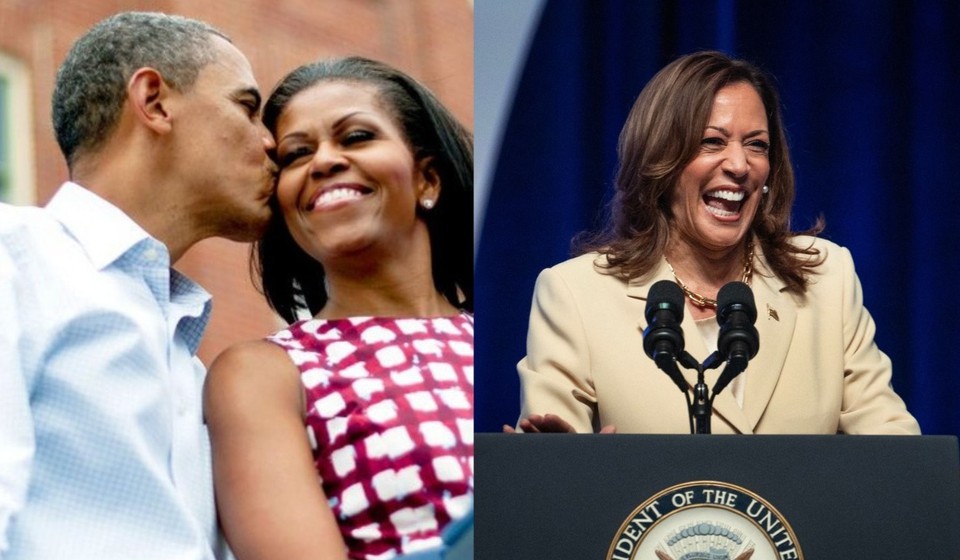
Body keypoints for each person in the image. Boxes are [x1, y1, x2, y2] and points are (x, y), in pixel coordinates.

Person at [514, 50, 920, 435]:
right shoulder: (576, 294)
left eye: (757, 145)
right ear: (661, 159)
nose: (740, 165)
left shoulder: (826, 278)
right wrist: (567, 465)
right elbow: (556, 467)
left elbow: (891, 448)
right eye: (712, 142)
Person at [0, 11, 276, 559]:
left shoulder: (194, 368)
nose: (271, 142)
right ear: (154, 100)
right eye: (246, 108)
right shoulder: (14, 256)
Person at [203, 57, 474, 560]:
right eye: (296, 154)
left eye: (354, 138)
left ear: (427, 181)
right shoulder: (263, 374)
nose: (323, 161)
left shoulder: (516, 343)